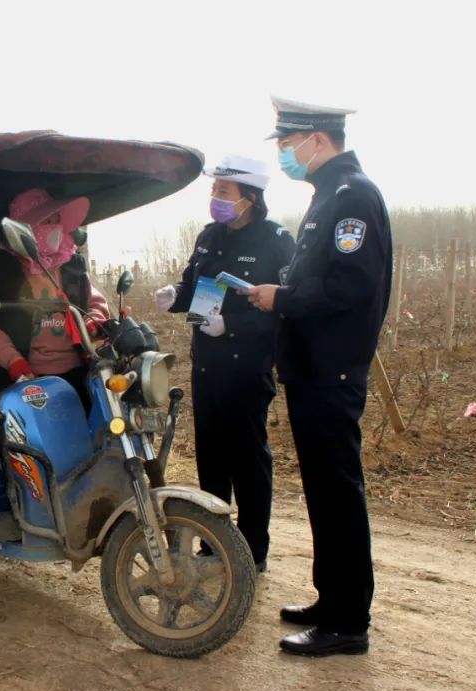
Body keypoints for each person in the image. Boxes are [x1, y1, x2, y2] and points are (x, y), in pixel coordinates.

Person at [246, 97, 392, 657]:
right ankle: (332, 598)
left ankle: (348, 620)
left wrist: (282, 296)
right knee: (325, 493)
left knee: (336, 494)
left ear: (317, 140)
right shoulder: (330, 194)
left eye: (287, 145)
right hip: (314, 370)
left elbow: (350, 286)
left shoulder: (353, 196)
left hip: (331, 371)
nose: (285, 154)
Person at [155, 156, 293, 574]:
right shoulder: (210, 236)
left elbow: (284, 310)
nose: (216, 199)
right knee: (210, 460)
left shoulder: (276, 241)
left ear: (249, 198)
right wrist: (175, 296)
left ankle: (253, 551)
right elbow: (195, 285)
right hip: (207, 367)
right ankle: (215, 546)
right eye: (214, 191)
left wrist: (229, 325)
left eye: (224, 192)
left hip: (247, 368)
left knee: (248, 461)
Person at [0, 188, 109, 409]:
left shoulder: (73, 265)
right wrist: (11, 360)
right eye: (46, 222)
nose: (53, 228)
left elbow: (96, 305)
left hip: (77, 372)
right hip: (23, 375)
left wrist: (92, 323)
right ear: (24, 230)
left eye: (56, 220)